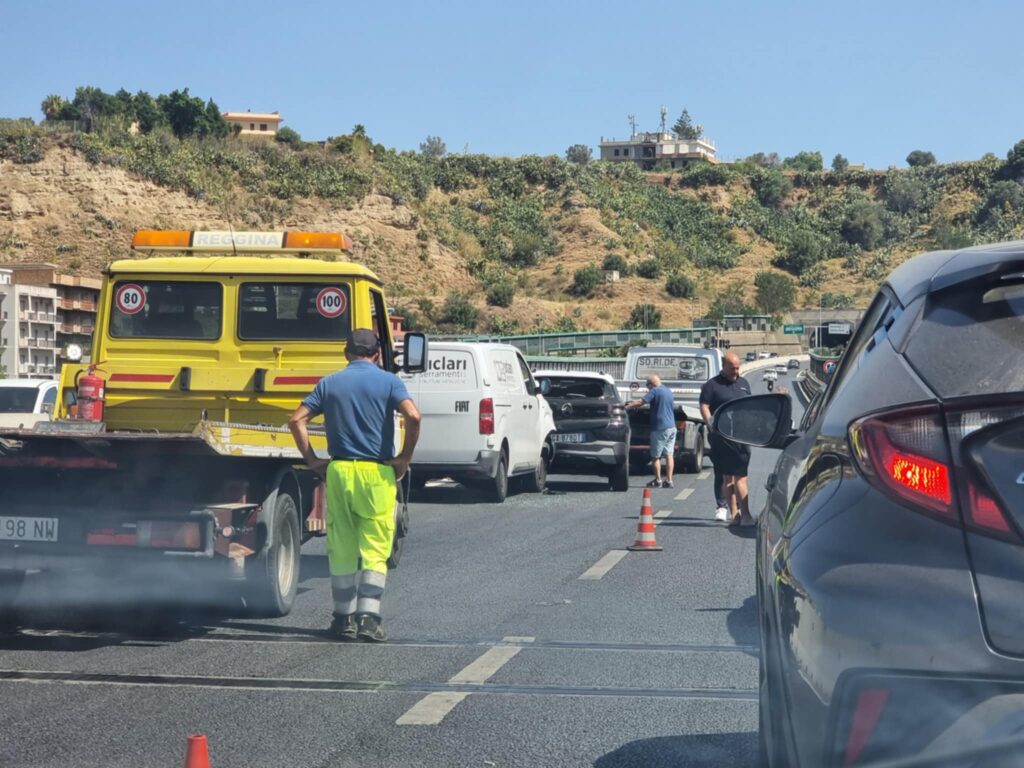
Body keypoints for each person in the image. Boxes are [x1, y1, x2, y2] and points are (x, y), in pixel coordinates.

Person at [288, 328, 421, 643]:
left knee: (342, 546)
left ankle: (343, 619)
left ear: (346, 353)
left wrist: (312, 460)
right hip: (377, 473)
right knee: (375, 547)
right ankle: (369, 620)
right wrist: (404, 458)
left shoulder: (330, 383)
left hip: (339, 471)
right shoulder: (389, 381)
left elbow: (296, 421)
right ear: (376, 354)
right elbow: (413, 416)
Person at [699, 352, 754, 527]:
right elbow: (704, 406)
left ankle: (738, 514)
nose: (736, 371)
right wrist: (711, 424)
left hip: (742, 437)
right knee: (731, 477)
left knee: (737, 476)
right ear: (723, 366)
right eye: (732, 368)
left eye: (738, 368)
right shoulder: (712, 385)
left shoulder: (744, 383)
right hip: (721, 437)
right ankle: (740, 514)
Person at [625, 374, 677, 489]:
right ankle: (669, 480)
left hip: (660, 427)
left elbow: (641, 402)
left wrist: (628, 407)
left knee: (655, 456)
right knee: (669, 455)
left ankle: (658, 480)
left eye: (647, 386)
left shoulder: (655, 391)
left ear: (651, 384)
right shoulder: (668, 391)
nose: (647, 389)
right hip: (671, 427)